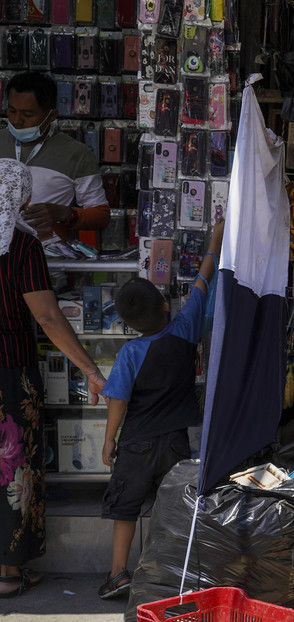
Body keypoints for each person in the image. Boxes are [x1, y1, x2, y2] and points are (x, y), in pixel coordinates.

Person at [96, 219, 224, 599]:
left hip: (135, 442)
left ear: (127, 323)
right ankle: (171, 576)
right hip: (174, 442)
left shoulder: (130, 352)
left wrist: (109, 441)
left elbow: (118, 399)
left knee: (125, 509)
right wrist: (215, 240)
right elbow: (202, 282)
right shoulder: (185, 328)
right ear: (165, 305)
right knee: (173, 508)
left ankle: (118, 573)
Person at [0, 158, 106, 598]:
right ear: (22, 196)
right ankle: (7, 572)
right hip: (9, 370)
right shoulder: (21, 246)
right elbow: (46, 315)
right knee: (12, 468)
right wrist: (89, 367)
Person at [1, 72, 109, 244]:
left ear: (51, 116)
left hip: (46, 261)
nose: (16, 120)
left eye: (28, 115)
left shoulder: (77, 153)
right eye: (11, 111)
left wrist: (64, 214)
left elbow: (101, 216)